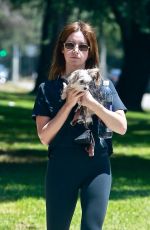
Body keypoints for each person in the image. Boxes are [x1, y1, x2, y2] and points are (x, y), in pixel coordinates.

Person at [32, 21, 127, 230]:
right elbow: (44, 137)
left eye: (82, 46)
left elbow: (121, 127)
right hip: (62, 166)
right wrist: (68, 105)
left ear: (90, 52)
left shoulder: (104, 86)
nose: (76, 51)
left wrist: (93, 104)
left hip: (97, 167)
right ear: (62, 49)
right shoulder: (47, 89)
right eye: (70, 45)